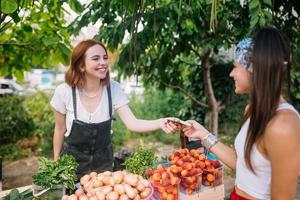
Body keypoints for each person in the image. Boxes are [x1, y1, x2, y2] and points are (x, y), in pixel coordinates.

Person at [182, 27, 300, 199]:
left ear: (255, 70)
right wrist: (203, 134)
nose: (231, 74)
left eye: (236, 67)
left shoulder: (283, 125)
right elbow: (240, 162)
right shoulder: (252, 109)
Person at [50, 39, 178, 178]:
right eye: (95, 58)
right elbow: (59, 129)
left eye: (105, 58)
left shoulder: (113, 88)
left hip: (104, 168)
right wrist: (57, 162)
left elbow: (133, 123)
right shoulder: (64, 92)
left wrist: (160, 122)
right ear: (81, 65)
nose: (103, 63)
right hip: (71, 168)